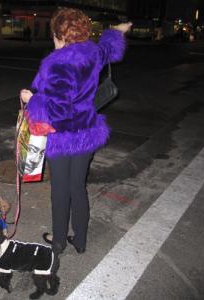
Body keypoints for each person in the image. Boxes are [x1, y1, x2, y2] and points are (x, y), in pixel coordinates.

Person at [20, 8, 131, 255]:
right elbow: (108, 48)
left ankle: (58, 240)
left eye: (54, 34)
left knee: (60, 188)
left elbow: (58, 111)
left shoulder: (57, 63)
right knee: (77, 187)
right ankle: (80, 240)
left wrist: (32, 100)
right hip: (87, 131)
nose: (52, 39)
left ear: (60, 34)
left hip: (62, 137)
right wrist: (118, 31)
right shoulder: (92, 52)